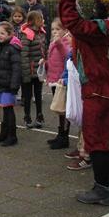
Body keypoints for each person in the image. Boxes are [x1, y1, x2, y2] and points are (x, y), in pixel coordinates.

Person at [57, 0, 109, 207]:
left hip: (99, 90)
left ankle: (102, 189)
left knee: (97, 140)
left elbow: (76, 25)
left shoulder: (106, 27)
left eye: (97, 2)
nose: (94, 6)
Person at [46, 19, 72, 149]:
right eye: (53, 29)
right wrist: (45, 63)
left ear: (65, 30)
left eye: (58, 29)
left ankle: (64, 137)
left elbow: (67, 55)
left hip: (62, 80)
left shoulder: (66, 42)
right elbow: (52, 59)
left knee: (63, 109)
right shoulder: (54, 42)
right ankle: (60, 133)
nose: (54, 32)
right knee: (59, 109)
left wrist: (59, 43)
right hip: (54, 79)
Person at [19, 10, 47, 128]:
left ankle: (40, 115)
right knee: (27, 95)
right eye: (40, 18)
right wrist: (26, 73)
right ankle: (27, 116)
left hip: (38, 70)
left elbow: (44, 49)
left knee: (38, 94)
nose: (43, 20)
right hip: (29, 71)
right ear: (34, 20)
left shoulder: (41, 32)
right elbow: (23, 55)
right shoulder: (27, 34)